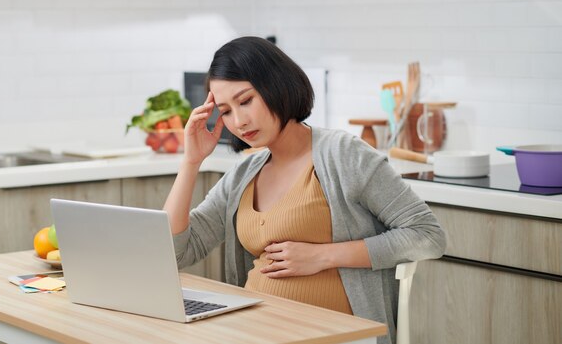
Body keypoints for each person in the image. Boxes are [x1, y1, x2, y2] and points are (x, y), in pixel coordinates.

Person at [163, 36, 446, 344]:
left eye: (246, 101)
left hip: (339, 337)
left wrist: (324, 256)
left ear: (276, 86)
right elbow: (174, 252)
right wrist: (191, 162)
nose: (239, 121)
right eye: (226, 111)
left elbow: (428, 235)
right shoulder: (243, 174)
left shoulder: (343, 154)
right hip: (254, 332)